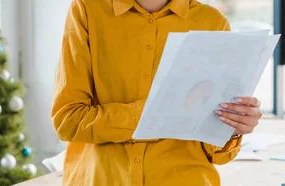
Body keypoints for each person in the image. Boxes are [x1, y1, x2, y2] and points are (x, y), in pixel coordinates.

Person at [51, 0, 263, 185]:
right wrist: (164, 111)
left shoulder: (212, 22)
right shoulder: (87, 9)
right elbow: (68, 121)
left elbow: (216, 153)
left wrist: (233, 127)